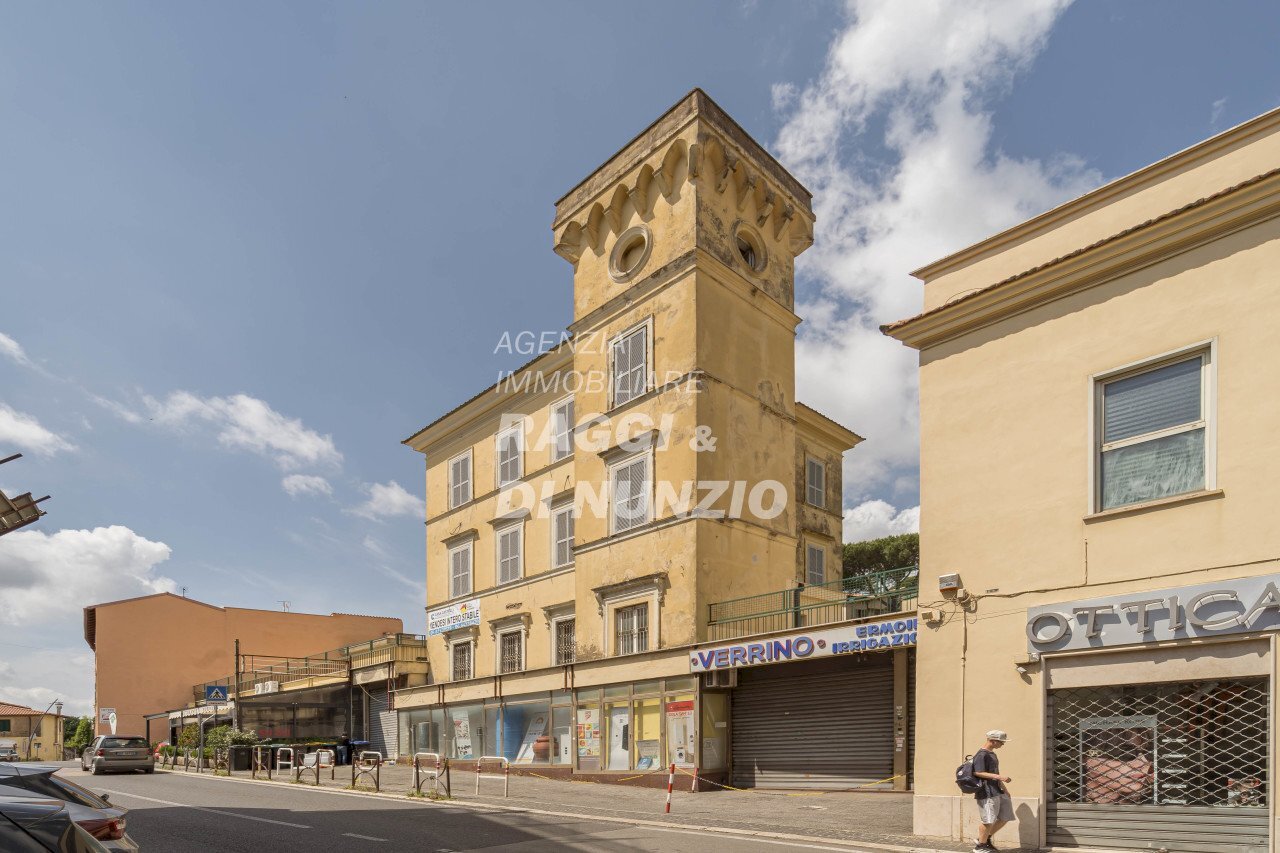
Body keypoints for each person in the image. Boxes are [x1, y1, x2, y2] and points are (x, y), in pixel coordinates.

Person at [972, 729, 1014, 852]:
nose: (1003, 744)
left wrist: (1005, 789)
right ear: (992, 741)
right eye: (1001, 742)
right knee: (988, 820)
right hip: (987, 792)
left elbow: (995, 772)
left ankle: (984, 839)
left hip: (998, 790)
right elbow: (978, 772)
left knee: (1006, 816)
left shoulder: (992, 754)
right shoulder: (981, 754)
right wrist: (999, 777)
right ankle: (980, 847)